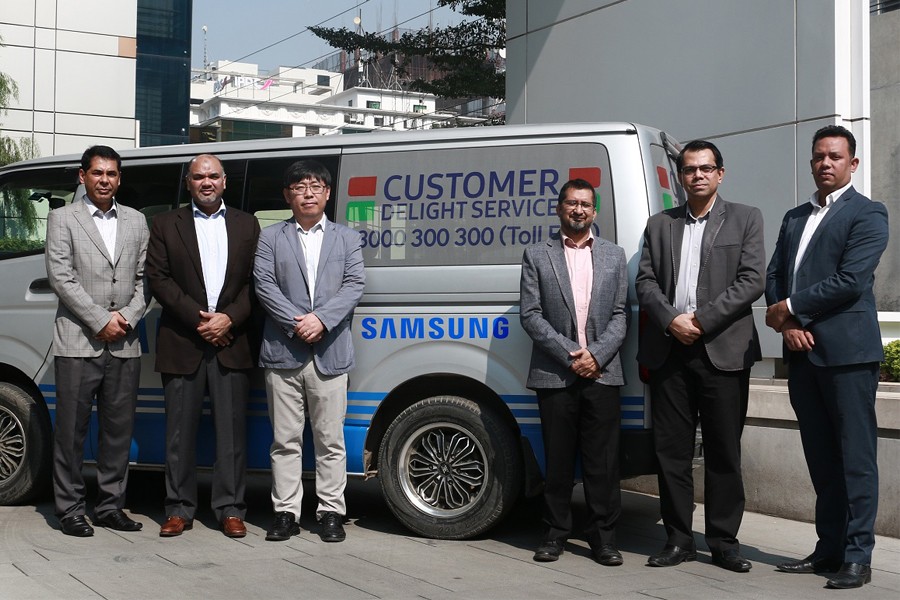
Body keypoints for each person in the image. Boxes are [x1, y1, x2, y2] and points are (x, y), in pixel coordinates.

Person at [765, 125, 889, 589]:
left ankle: (858, 557)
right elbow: (775, 276)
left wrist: (792, 309)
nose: (825, 163)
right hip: (802, 355)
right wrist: (788, 324)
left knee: (856, 458)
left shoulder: (868, 213)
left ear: (852, 163)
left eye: (835, 156)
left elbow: (851, 280)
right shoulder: (795, 216)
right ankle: (828, 549)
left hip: (848, 355)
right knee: (820, 458)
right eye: (819, 156)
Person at [635, 140, 764, 572]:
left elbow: (752, 280)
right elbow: (645, 282)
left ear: (720, 174)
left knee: (724, 451)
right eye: (690, 169)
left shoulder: (746, 218)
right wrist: (672, 320)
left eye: (706, 168)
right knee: (671, 453)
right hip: (669, 351)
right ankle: (678, 539)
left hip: (723, 351)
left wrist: (701, 321)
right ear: (680, 177)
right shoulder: (660, 225)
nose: (698, 175)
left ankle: (724, 542)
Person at [146, 154, 261, 538]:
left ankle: (230, 509)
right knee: (179, 434)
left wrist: (229, 319)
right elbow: (159, 279)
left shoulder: (247, 224)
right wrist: (201, 323)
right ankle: (179, 508)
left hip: (232, 341)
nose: (206, 182)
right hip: (182, 341)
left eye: (213, 176)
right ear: (188, 183)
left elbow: (257, 282)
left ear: (224, 181)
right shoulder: (165, 224)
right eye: (198, 177)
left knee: (232, 433)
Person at [253, 159, 365, 543]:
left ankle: (331, 512)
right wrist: (297, 323)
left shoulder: (347, 238)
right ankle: (286, 513)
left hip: (330, 353)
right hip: (283, 352)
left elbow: (354, 285)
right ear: (288, 195)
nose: (308, 194)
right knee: (285, 440)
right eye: (300, 187)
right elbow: (264, 285)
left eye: (315, 187)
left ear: (327, 193)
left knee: (330, 440)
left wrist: (322, 320)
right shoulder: (271, 237)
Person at [519, 178, 628, 566]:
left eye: (585, 204)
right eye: (571, 203)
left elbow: (621, 315)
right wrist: (572, 355)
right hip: (556, 374)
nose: (578, 209)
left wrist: (595, 356)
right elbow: (531, 315)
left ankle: (604, 539)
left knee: (602, 463)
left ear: (594, 211)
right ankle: (554, 534)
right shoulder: (537, 254)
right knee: (559, 461)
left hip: (602, 372)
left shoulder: (614, 255)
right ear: (559, 208)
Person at [46, 145, 149, 537]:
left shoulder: (137, 220)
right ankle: (70, 509)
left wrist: (127, 317)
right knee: (70, 431)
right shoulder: (62, 218)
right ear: (83, 176)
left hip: (124, 341)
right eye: (97, 173)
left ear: (119, 179)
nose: (105, 180)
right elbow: (61, 276)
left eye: (111, 174)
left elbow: (146, 279)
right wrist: (100, 320)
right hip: (78, 341)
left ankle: (110, 506)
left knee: (118, 431)